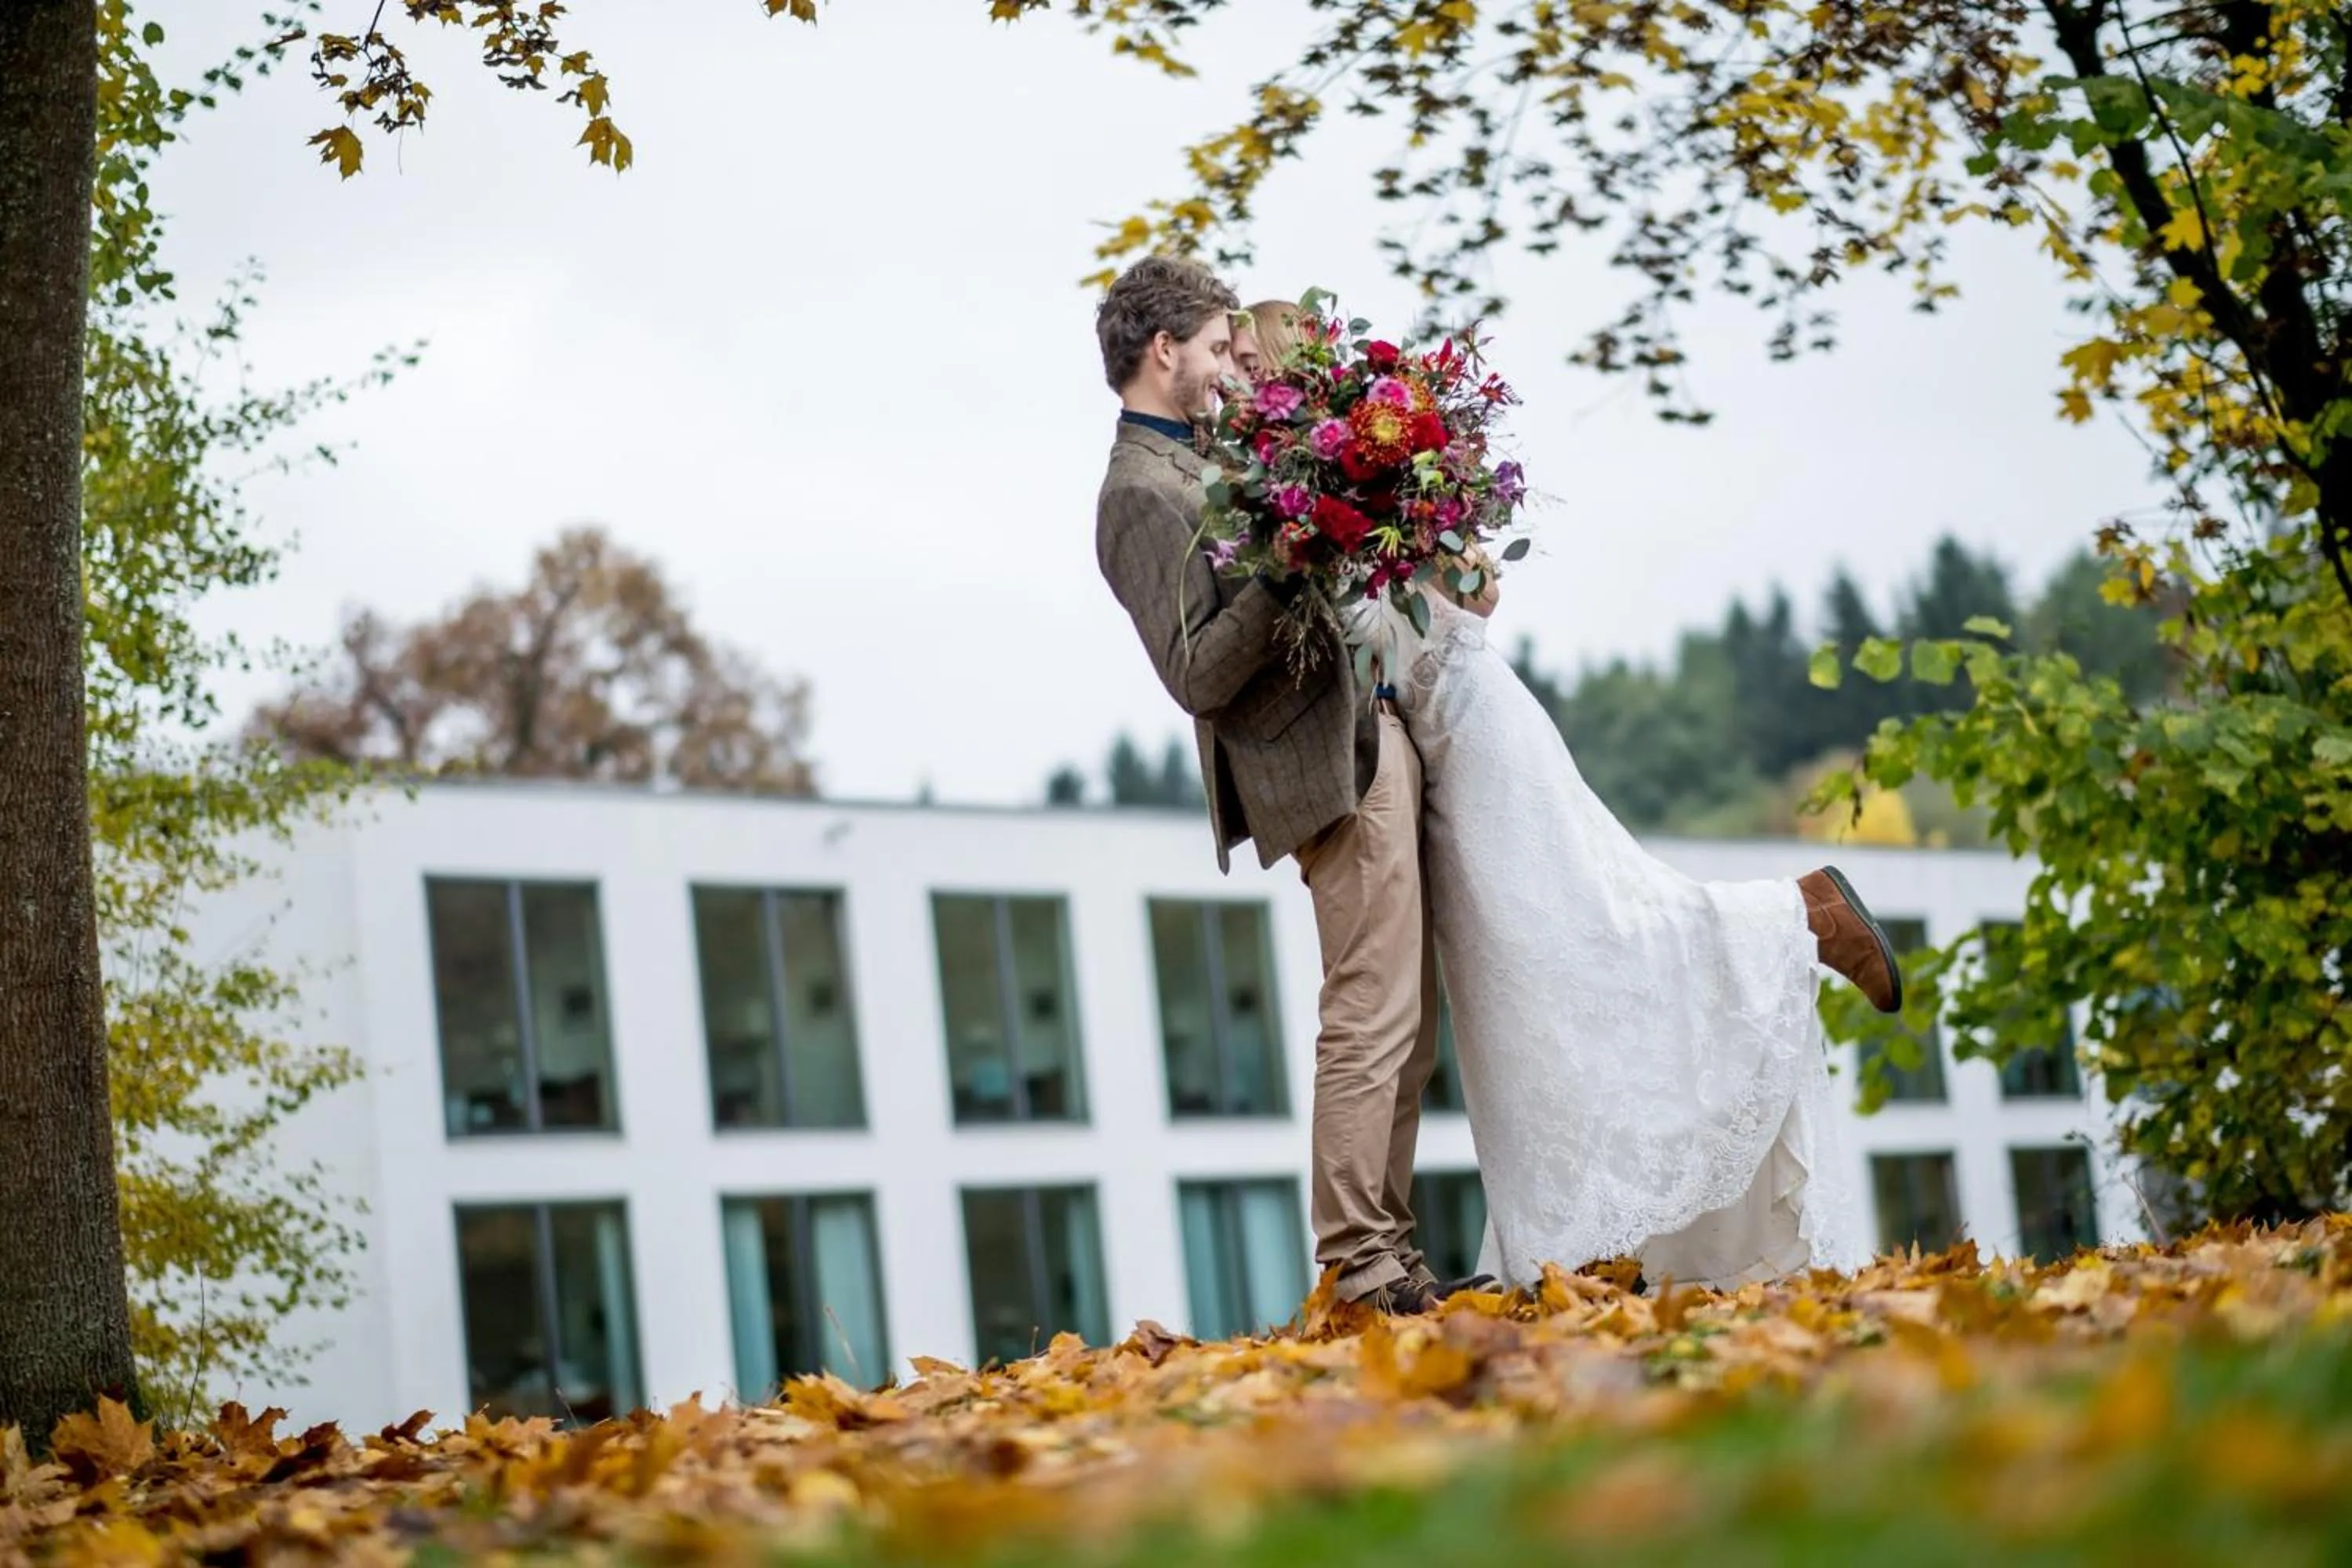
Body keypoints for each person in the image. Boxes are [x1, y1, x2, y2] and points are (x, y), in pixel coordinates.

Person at [1091, 256, 1486, 1313]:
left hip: (1374, 730)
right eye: (1218, 349)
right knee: (1367, 1014)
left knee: (1408, 1021)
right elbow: (1196, 673)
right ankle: (1358, 1264)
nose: (1231, 368)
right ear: (1162, 349)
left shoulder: (1216, 454)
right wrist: (1286, 554)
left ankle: (1394, 1259)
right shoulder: (1135, 494)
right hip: (1316, 767)